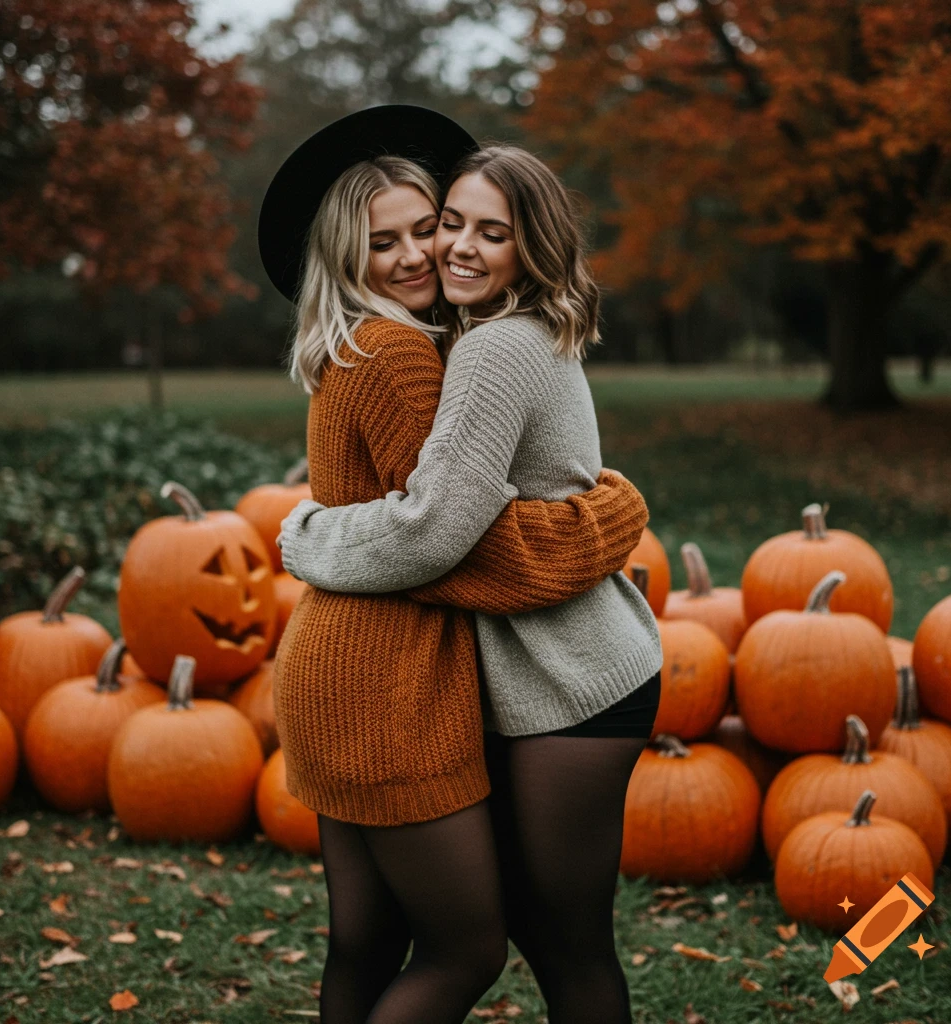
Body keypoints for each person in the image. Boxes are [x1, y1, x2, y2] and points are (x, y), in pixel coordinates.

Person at [258, 107, 652, 1024]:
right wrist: (611, 520)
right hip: (393, 680)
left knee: (375, 939)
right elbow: (444, 541)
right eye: (392, 239)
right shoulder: (420, 352)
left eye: (441, 227)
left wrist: (316, 539)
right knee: (484, 948)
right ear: (343, 255)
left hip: (469, 675)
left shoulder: (403, 346)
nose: (433, 252)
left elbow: (438, 535)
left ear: (531, 243)